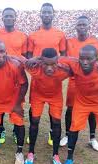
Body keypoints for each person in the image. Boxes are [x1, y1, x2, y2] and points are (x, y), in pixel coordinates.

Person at [60, 16, 98, 151]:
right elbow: (64, 59)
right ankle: (67, 134)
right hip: (74, 82)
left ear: (89, 26)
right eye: (79, 25)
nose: (81, 27)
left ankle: (92, 138)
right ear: (76, 27)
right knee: (70, 109)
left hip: (91, 84)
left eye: (84, 25)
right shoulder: (69, 42)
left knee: (92, 110)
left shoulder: (96, 42)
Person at [26, 2, 66, 146]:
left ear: (53, 14)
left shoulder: (60, 34)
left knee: (54, 108)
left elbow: (63, 56)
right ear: (40, 14)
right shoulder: (33, 35)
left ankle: (51, 131)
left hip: (54, 77)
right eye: (44, 12)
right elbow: (29, 57)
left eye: (50, 12)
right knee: (34, 107)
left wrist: (56, 67)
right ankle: (33, 132)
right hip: (38, 77)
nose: (47, 14)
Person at [24, 48, 70, 164]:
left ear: (58, 62)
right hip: (37, 97)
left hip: (55, 98)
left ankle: (55, 154)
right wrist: (35, 58)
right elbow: (23, 61)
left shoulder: (63, 71)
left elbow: (76, 67)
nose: (49, 68)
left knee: (56, 123)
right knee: (34, 122)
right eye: (46, 64)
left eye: (53, 64)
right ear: (41, 62)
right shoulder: (34, 68)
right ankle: (31, 152)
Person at [0, 7, 28, 144]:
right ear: (2, 18)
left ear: (15, 18)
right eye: (6, 16)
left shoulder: (22, 36)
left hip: (16, 75)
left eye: (11, 16)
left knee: (17, 102)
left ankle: (14, 129)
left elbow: (24, 56)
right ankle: (1, 128)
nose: (8, 18)